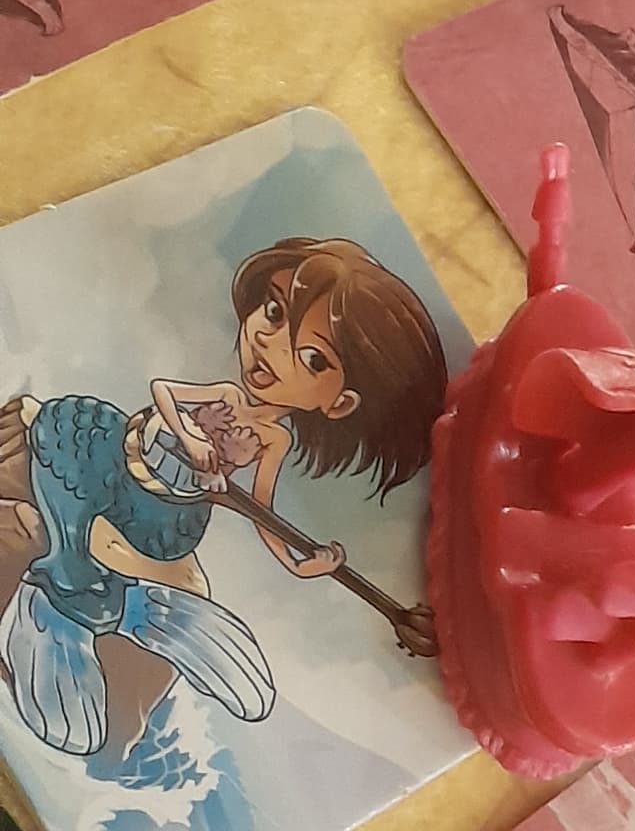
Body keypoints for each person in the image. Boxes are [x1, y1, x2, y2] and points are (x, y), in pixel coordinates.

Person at [0, 235, 446, 760]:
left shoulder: (272, 440)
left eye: (312, 358)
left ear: (340, 403)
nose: (270, 343)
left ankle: (118, 609)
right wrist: (188, 438)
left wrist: (301, 564)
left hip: (161, 512)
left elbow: (259, 510)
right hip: (104, 455)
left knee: (146, 556)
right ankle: (58, 596)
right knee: (63, 520)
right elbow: (164, 391)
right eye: (274, 312)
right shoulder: (228, 395)